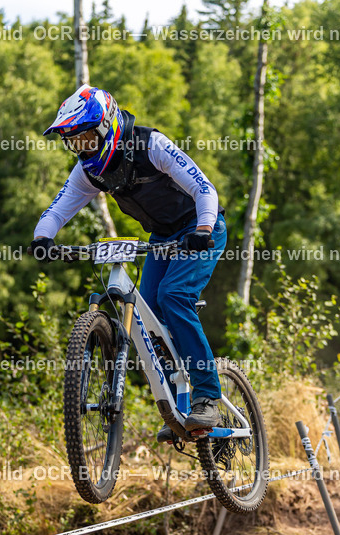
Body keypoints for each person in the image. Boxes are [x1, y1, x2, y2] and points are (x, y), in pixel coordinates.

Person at [31, 85, 226, 437]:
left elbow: (204, 188)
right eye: (74, 142)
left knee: (173, 296)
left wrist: (203, 228)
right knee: (149, 315)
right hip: (162, 238)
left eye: (86, 138)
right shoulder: (90, 171)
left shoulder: (150, 145)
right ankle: (179, 408)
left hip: (201, 228)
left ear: (107, 126)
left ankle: (208, 396)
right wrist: (42, 239)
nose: (82, 148)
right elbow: (58, 208)